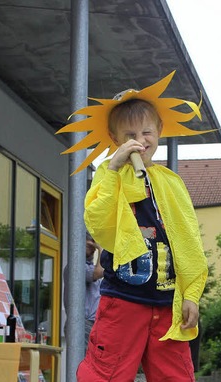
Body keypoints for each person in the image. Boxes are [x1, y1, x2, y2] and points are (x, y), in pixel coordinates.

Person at [57, 71, 212, 381]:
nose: (140, 141)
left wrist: (192, 295)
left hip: (168, 301)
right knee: (107, 373)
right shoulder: (108, 173)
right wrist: (115, 169)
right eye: (130, 135)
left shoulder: (172, 182)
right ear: (116, 140)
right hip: (123, 299)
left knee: (176, 375)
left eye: (147, 132)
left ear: (160, 132)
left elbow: (189, 242)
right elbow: (98, 222)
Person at [63, 232, 103, 350]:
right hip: (82, 323)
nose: (91, 248)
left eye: (92, 247)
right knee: (84, 363)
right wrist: (100, 248)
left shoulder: (89, 266)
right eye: (88, 245)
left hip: (92, 324)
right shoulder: (75, 266)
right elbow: (98, 273)